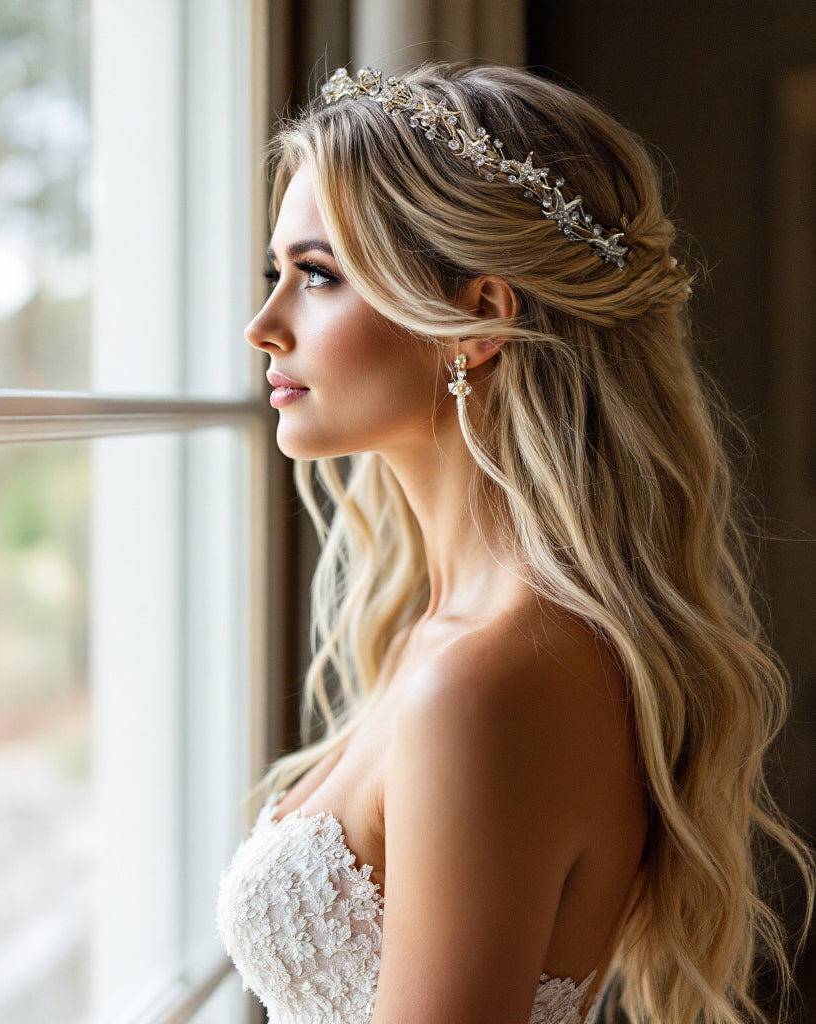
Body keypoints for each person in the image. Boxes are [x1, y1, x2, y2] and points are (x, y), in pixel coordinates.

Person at [216, 62, 814, 1024]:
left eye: (317, 275)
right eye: (274, 274)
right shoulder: (456, 631)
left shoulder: (488, 678)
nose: (263, 326)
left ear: (480, 321)